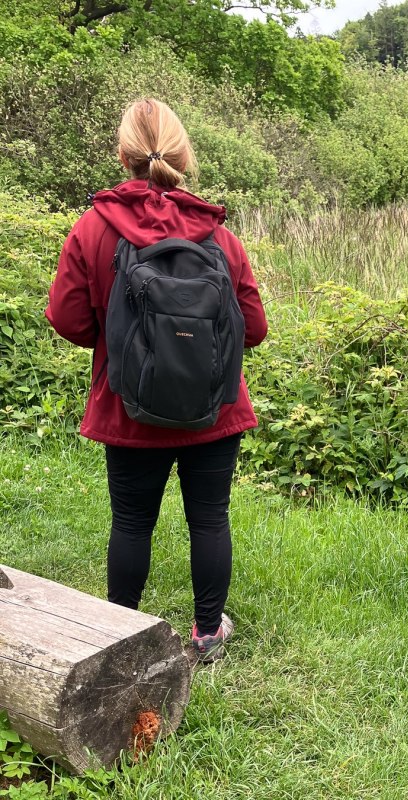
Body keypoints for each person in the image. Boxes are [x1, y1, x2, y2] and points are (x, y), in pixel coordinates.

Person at [45, 98, 268, 662]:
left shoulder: (93, 229)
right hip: (214, 409)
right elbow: (256, 329)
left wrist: (121, 341)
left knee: (133, 522)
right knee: (209, 518)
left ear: (124, 155)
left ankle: (118, 637)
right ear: (184, 155)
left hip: (128, 407)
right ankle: (207, 635)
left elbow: (67, 319)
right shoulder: (219, 235)